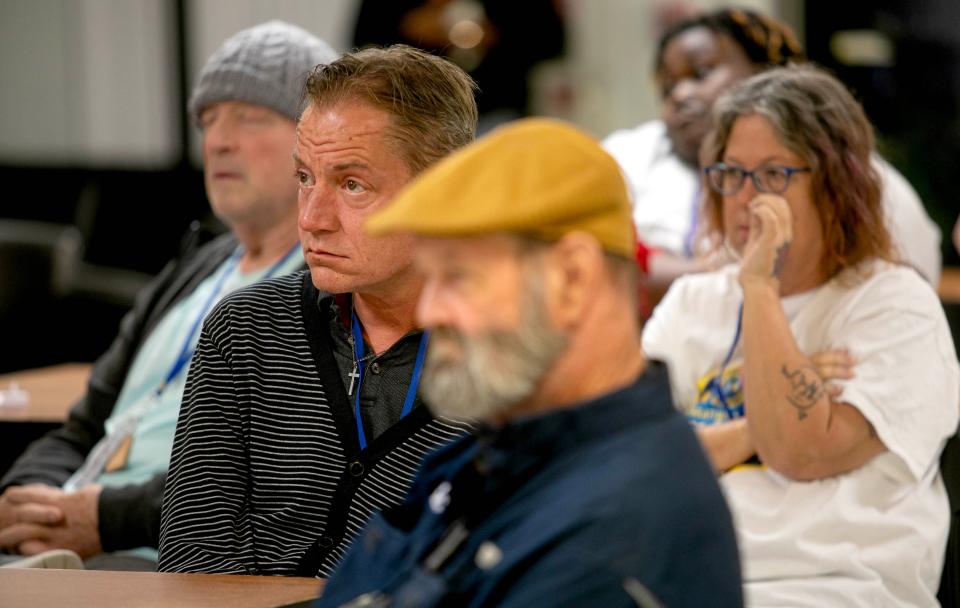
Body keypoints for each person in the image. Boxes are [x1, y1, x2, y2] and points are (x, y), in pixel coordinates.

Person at [316, 118, 742, 607]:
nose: (431, 310)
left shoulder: (619, 530)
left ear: (572, 279)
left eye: (458, 277)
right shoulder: (501, 450)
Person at [0, 21, 334, 570]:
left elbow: (278, 479)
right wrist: (29, 497)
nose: (219, 140)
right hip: (68, 541)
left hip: (164, 558)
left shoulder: (324, 286)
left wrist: (105, 519)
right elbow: (85, 425)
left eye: (249, 117)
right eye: (207, 119)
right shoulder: (197, 265)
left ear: (317, 140)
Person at [642, 65, 960, 606]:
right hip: (685, 577)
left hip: (825, 588)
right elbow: (636, 456)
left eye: (772, 175)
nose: (746, 198)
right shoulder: (695, 301)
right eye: (732, 173)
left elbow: (801, 452)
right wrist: (752, 426)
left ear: (836, 184)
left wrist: (760, 286)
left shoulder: (895, 305)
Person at [157, 45, 478, 578]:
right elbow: (195, 557)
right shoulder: (247, 329)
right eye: (305, 177)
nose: (311, 218)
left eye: (352, 185)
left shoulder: (511, 355)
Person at [603, 8, 942, 299]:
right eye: (667, 87)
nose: (679, 94)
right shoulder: (629, 156)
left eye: (701, 73)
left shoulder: (856, 175)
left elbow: (910, 286)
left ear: (767, 73)